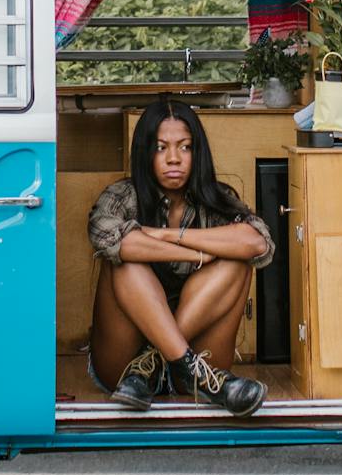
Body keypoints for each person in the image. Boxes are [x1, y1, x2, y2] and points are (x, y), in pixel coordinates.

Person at [86, 98, 273, 415]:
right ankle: (165, 364)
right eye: (161, 148)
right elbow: (110, 239)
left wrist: (167, 234)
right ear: (144, 153)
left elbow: (257, 243)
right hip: (121, 368)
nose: (174, 159)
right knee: (125, 260)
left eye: (185, 147)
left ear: (198, 154)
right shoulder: (122, 196)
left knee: (235, 262)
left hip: (196, 370)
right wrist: (200, 253)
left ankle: (157, 363)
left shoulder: (219, 200)